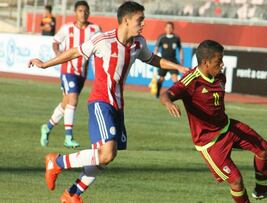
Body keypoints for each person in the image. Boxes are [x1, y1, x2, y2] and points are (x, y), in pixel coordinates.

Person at [29, 1, 187, 203]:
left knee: (104, 156)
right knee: (106, 153)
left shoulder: (139, 43)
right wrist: (44, 64)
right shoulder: (102, 40)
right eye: (140, 20)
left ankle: (72, 194)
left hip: (118, 106)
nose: (143, 23)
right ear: (126, 20)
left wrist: (178, 68)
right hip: (100, 102)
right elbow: (74, 52)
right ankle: (56, 161)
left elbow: (154, 59)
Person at [160, 40, 267, 203]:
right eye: (218, 61)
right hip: (209, 142)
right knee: (236, 181)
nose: (222, 64)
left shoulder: (220, 77)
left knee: (264, 149)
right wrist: (168, 102)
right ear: (205, 62)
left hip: (227, 127)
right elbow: (166, 94)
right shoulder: (191, 81)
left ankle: (261, 189)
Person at [40, 0, 101, 148]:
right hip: (68, 70)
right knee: (73, 100)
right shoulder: (67, 28)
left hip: (82, 72)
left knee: (66, 103)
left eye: (86, 11)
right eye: (80, 10)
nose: (83, 13)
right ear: (75, 12)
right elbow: (55, 42)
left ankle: (47, 127)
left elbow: (101, 44)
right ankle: (68, 137)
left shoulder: (95, 29)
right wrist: (58, 53)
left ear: (89, 12)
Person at [153, 21, 183, 98]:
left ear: (173, 29)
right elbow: (156, 48)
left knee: (175, 79)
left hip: (173, 61)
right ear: (165, 28)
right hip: (163, 61)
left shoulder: (176, 38)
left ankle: (175, 95)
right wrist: (154, 58)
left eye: (170, 27)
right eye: (167, 27)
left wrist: (181, 59)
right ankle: (157, 93)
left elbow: (180, 49)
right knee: (161, 79)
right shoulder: (162, 37)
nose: (169, 29)